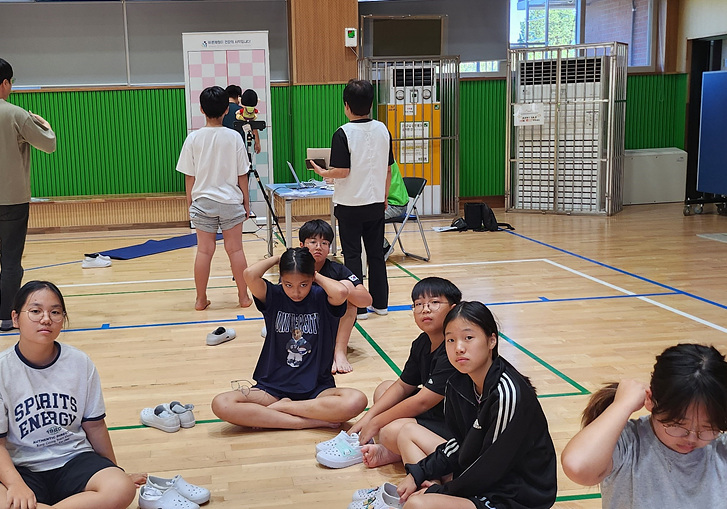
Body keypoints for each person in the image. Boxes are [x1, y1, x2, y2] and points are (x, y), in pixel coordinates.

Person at [394, 301, 557, 509]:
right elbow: (461, 443)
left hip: (514, 496)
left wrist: (439, 492)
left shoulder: (507, 394)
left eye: (468, 338)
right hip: (481, 477)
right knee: (407, 434)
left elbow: (490, 467)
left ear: (491, 341)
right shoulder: (457, 382)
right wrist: (418, 474)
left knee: (418, 504)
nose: (459, 348)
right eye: (450, 340)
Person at [0, 280, 145, 508]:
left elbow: (95, 426)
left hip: (73, 459)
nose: (46, 319)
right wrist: (16, 485)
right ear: (16, 318)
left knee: (121, 488)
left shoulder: (79, 362)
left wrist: (114, 470)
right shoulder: (2, 369)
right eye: (36, 311)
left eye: (55, 312)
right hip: (22, 467)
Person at [211, 247, 368, 429]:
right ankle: (303, 422)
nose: (296, 292)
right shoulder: (273, 296)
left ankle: (282, 409)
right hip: (272, 388)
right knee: (221, 403)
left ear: (312, 279)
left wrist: (313, 273)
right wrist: (280, 258)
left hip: (316, 389)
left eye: (303, 284)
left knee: (356, 400)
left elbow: (341, 292)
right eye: (288, 285)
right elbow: (249, 274)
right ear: (281, 279)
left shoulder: (321, 297)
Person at [561, 343, 727, 508]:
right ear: (650, 401)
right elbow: (577, 466)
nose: (691, 438)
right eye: (677, 425)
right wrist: (622, 404)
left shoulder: (720, 447)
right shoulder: (629, 444)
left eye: (707, 428)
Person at [345, 277, 461, 468]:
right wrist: (365, 419)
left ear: (453, 309)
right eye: (419, 304)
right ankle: (393, 451)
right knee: (384, 389)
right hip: (437, 411)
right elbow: (402, 386)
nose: (425, 309)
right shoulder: (422, 342)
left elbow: (422, 401)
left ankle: (419, 466)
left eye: (434, 302)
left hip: (454, 425)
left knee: (389, 432)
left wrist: (376, 422)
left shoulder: (454, 349)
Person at [310, 79, 394, 320]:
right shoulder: (383, 130)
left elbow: (342, 171)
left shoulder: (342, 133)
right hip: (375, 203)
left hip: (349, 205)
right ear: (371, 104)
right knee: (376, 255)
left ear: (346, 105)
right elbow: (388, 169)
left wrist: (323, 172)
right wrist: (384, 196)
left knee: (353, 255)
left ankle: (359, 308)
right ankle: (381, 304)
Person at [176, 85, 252, 311]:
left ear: (201, 109)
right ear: (227, 110)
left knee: (204, 251)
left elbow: (189, 176)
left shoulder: (193, 138)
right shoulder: (234, 137)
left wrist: (190, 202)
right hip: (231, 201)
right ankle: (243, 297)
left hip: (202, 201)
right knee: (235, 250)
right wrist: (246, 202)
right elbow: (242, 175)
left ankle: (200, 300)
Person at [0, 59, 57, 332]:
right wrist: (46, 125)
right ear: (5, 83)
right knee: (11, 260)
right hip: (12, 199)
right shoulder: (16, 114)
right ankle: (5, 317)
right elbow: (48, 145)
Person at [299, 219, 372, 374]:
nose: (318, 247)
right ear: (302, 245)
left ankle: (339, 351)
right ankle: (321, 351)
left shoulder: (337, 269)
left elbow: (366, 300)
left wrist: (343, 290)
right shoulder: (295, 267)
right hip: (305, 324)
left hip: (331, 324)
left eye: (324, 243)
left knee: (347, 288)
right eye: (313, 242)